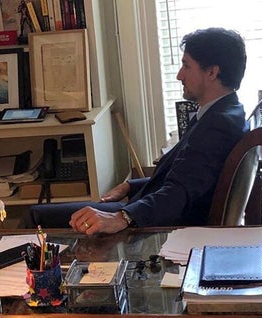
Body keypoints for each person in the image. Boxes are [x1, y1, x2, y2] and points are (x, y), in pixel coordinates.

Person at [22, 27, 248, 234]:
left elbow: (179, 194)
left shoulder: (217, 127)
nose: (179, 75)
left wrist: (123, 217)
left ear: (212, 72)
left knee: (36, 216)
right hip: (149, 208)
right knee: (42, 215)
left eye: (186, 66)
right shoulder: (223, 113)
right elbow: (184, 176)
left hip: (157, 223)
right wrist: (130, 185)